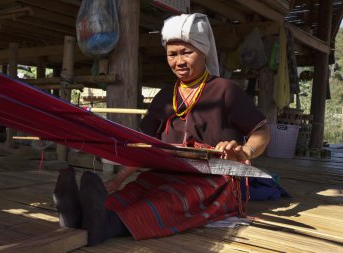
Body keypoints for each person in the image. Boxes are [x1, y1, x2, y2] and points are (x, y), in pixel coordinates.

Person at [53, 13, 270, 246]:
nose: (179, 61)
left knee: (169, 200)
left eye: (187, 52)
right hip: (167, 171)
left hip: (214, 180)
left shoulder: (225, 90)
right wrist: (119, 180)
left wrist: (245, 152)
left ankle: (104, 225)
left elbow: (262, 131)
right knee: (133, 192)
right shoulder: (166, 96)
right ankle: (77, 215)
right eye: (172, 54)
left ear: (203, 51)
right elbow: (144, 142)